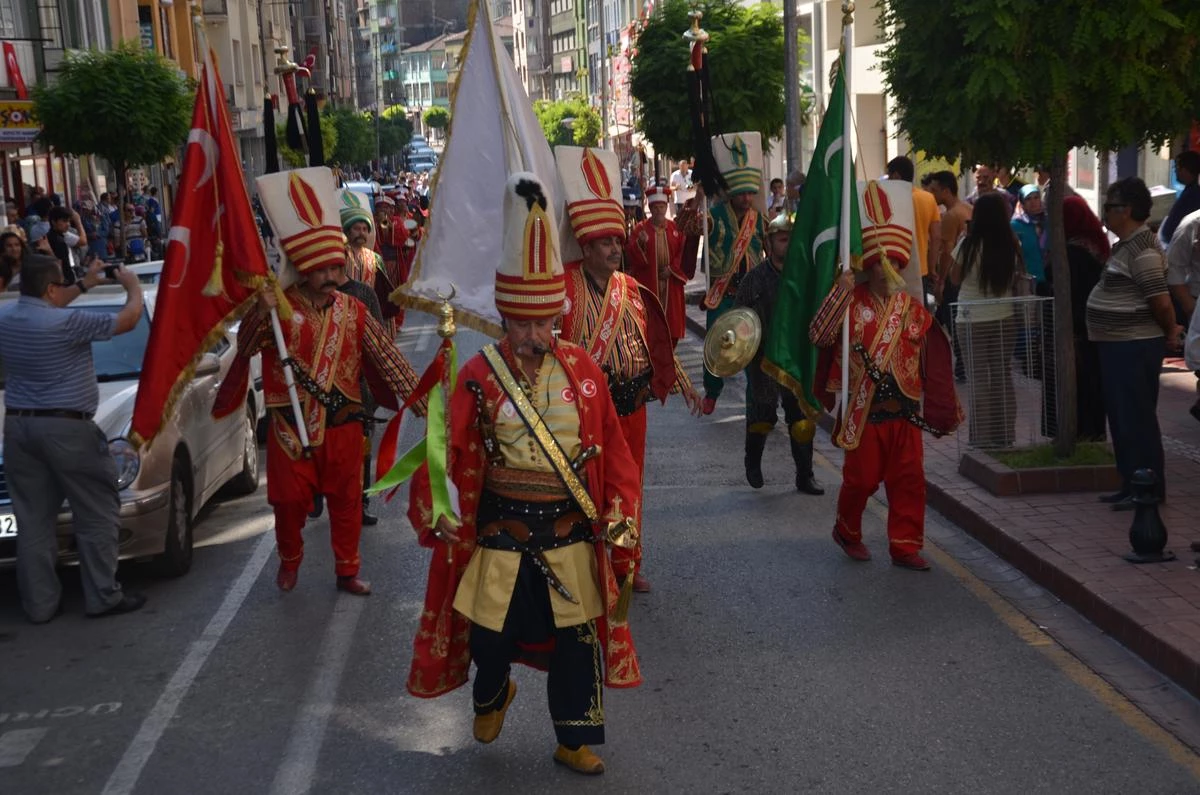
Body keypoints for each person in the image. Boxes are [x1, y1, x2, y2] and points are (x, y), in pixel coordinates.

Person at [406, 172, 642, 775]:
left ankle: (571, 739)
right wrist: (435, 502)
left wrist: (621, 521)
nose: (535, 335)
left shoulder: (584, 371)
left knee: (576, 644)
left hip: (568, 534)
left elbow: (614, 455)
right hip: (501, 537)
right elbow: (446, 450)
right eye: (522, 325)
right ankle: (493, 691)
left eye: (544, 324)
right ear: (505, 320)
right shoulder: (479, 375)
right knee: (489, 638)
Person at [215, 166, 423, 594]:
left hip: (345, 421)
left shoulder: (354, 309)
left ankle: (347, 572)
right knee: (288, 502)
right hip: (292, 425)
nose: (331, 275)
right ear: (303, 268)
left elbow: (387, 358)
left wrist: (424, 401)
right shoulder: (278, 310)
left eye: (335, 266)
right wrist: (260, 310)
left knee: (347, 503)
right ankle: (290, 559)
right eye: (322, 268)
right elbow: (250, 346)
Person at [556, 145, 701, 595]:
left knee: (627, 490)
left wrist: (682, 382)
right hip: (582, 411)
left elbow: (652, 344)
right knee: (581, 488)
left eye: (618, 240)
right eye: (607, 242)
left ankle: (626, 562)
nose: (616, 248)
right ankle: (582, 563)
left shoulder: (631, 290)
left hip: (630, 407)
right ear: (586, 244)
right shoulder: (564, 286)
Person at [811, 181, 961, 571]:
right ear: (867, 264)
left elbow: (936, 360)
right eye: (878, 262)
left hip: (905, 412)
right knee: (860, 482)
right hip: (864, 411)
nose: (886, 269)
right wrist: (839, 293)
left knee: (909, 481)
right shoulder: (851, 302)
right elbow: (819, 336)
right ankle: (847, 530)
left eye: (893, 262)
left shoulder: (912, 310)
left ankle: (905, 546)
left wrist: (944, 409)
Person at [0, 256, 147, 622]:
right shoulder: (69, 322)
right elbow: (128, 321)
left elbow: (46, 304)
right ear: (51, 288)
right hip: (67, 427)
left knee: (33, 519)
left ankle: (40, 605)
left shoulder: (6, 319)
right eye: (61, 285)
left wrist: (85, 284)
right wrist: (132, 287)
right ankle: (103, 595)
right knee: (96, 511)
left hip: (19, 426)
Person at [1088, 177, 1181, 509]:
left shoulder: (1142, 249)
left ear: (1126, 211)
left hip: (1134, 346)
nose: (1105, 214)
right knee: (1122, 418)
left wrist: (1170, 331)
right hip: (1117, 346)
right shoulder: (1125, 245)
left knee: (1136, 418)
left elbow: (1161, 300)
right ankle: (1131, 483)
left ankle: (1148, 489)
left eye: (1109, 207)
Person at [679, 132, 769, 414]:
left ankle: (756, 397)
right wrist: (697, 201)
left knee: (754, 348)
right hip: (724, 293)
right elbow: (689, 227)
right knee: (717, 344)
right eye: (741, 192)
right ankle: (712, 391)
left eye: (749, 192)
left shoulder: (760, 220)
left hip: (752, 294)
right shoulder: (714, 215)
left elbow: (773, 247)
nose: (746, 198)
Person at [735, 213, 823, 495]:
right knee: (762, 416)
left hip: (796, 357)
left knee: (801, 420)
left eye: (791, 239)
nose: (788, 244)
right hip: (764, 358)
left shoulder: (804, 276)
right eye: (783, 239)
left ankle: (805, 475)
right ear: (770, 243)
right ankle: (753, 462)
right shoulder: (754, 279)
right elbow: (739, 319)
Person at [331, 202, 387, 528]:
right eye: (355, 228)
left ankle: (361, 501)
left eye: (364, 228)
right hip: (326, 389)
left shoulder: (364, 293)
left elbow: (379, 339)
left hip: (360, 386)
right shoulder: (312, 296)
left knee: (362, 448)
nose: (360, 233)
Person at [951, 192, 1021, 449]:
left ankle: (982, 438)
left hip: (971, 319)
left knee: (978, 377)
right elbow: (1016, 278)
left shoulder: (968, 245)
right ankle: (1004, 435)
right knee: (1002, 375)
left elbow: (955, 279)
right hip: (1004, 316)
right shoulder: (1011, 243)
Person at [1042, 196, 1109, 440]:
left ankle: (1076, 433)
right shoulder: (1095, 245)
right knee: (1092, 381)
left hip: (1074, 327)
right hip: (1093, 326)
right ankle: (1092, 432)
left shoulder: (1072, 252)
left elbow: (1059, 283)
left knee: (1077, 382)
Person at [624, 185, 693, 347]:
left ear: (666, 207)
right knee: (651, 326)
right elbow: (632, 257)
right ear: (650, 208)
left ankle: (670, 357)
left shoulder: (675, 228)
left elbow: (683, 252)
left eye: (662, 207)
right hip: (650, 284)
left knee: (671, 324)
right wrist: (640, 244)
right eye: (655, 207)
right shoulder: (640, 229)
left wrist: (672, 269)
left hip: (670, 282)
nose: (659, 211)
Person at [1159, 150, 1200, 246]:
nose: (1175, 170)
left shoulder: (1193, 195)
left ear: (1185, 170)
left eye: (1176, 167)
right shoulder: (1190, 191)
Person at [2, 225, 27, 290]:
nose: (14, 249)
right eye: (9, 246)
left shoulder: (30, 266)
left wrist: (49, 252)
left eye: (17, 245)